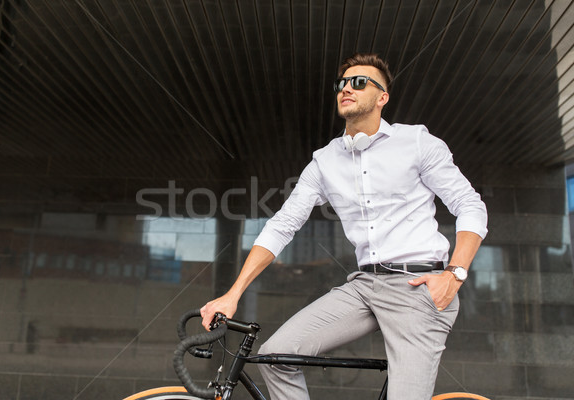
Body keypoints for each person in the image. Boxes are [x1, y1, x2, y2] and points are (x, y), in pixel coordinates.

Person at [201, 53, 487, 400]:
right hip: (365, 285)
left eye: (359, 82)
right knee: (277, 357)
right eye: (342, 83)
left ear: (383, 97)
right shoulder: (324, 161)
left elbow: (469, 206)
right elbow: (283, 224)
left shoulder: (416, 143)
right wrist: (232, 295)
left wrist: (454, 275)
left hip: (419, 288)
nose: (346, 89)